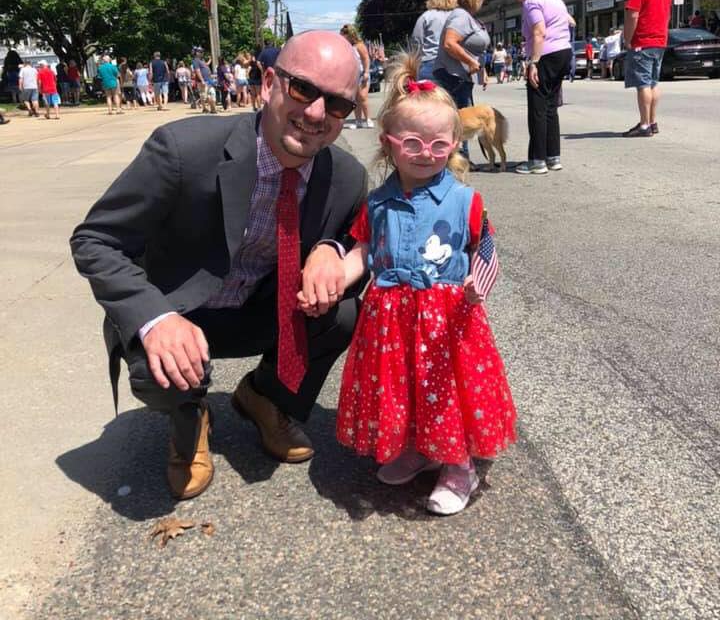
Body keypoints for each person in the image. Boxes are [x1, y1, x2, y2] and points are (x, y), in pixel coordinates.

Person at [69, 30, 367, 501]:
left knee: (345, 310)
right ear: (269, 82)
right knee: (155, 362)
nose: (315, 114)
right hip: (181, 311)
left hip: (259, 309)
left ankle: (266, 398)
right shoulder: (182, 151)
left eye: (336, 105)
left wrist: (331, 247)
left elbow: (360, 239)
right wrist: (155, 319)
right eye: (303, 89)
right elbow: (96, 240)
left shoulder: (346, 176)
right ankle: (190, 416)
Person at [300, 52, 516, 516]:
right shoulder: (378, 202)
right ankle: (419, 448)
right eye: (413, 143)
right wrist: (336, 279)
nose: (426, 154)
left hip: (449, 317)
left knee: (447, 388)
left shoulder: (465, 200)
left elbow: (486, 249)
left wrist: (479, 284)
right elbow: (363, 251)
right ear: (389, 143)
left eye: (439, 144)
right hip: (392, 316)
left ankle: (458, 464)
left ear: (456, 142)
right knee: (407, 387)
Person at [508, 0, 572, 174]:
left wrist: (533, 62)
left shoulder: (532, 1)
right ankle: (553, 157)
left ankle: (537, 160)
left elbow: (539, 32)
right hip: (563, 52)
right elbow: (570, 21)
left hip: (546, 54)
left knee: (537, 108)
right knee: (551, 107)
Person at [433, 0, 491, 159]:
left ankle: (459, 160)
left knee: (459, 122)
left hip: (460, 77)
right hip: (453, 77)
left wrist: (482, 69)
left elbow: (471, 48)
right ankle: (459, 161)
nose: (484, 0)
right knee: (458, 123)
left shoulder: (466, 17)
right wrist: (471, 63)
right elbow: (450, 44)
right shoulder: (460, 16)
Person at [622, 0, 672, 137]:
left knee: (642, 84)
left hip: (643, 41)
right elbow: (667, 16)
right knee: (653, 83)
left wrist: (627, 38)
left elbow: (632, 16)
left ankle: (644, 125)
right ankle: (652, 121)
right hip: (660, 41)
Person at [411, 0, 458, 81]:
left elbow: (417, 42)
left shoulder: (426, 17)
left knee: (429, 95)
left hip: (430, 62)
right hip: (454, 62)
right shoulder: (458, 17)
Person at [340, 24, 373, 129]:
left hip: (362, 74)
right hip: (353, 75)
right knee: (355, 100)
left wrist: (366, 72)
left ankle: (368, 119)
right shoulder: (347, 46)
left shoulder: (359, 45)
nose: (342, 38)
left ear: (349, 35)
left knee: (362, 97)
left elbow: (366, 59)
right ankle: (358, 121)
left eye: (343, 35)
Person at [191, 46, 217, 114]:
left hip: (209, 80)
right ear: (196, 53)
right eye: (200, 51)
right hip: (203, 81)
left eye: (202, 51)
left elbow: (206, 65)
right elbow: (197, 71)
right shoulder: (195, 61)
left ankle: (212, 108)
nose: (202, 53)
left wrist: (210, 59)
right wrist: (202, 80)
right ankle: (205, 108)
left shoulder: (202, 60)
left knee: (212, 94)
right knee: (204, 96)